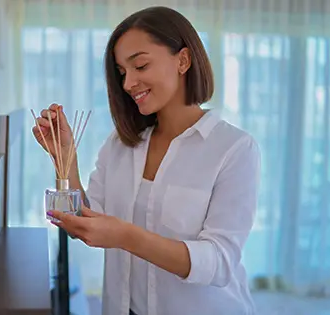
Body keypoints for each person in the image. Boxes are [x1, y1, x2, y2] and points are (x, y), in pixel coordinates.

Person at [32, 6, 260, 315]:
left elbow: (218, 263)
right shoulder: (121, 144)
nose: (127, 84)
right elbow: (84, 223)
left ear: (183, 60)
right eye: (122, 72)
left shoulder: (234, 148)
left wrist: (127, 237)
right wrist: (65, 160)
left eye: (140, 65)